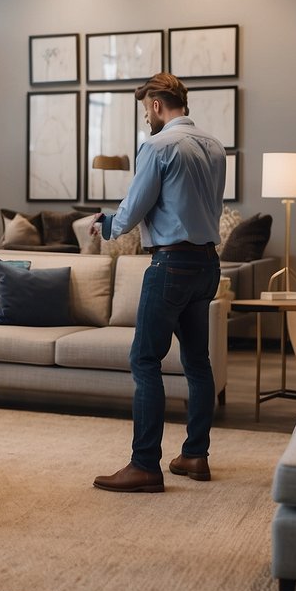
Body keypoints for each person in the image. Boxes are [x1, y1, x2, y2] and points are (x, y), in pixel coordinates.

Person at [92, 72, 226, 493]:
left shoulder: (157, 145)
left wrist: (107, 224)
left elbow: (132, 210)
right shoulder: (215, 147)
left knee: (144, 360)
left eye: (144, 110)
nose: (145, 119)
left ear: (155, 104)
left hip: (170, 265)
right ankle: (195, 455)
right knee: (197, 362)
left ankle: (144, 464)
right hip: (207, 265)